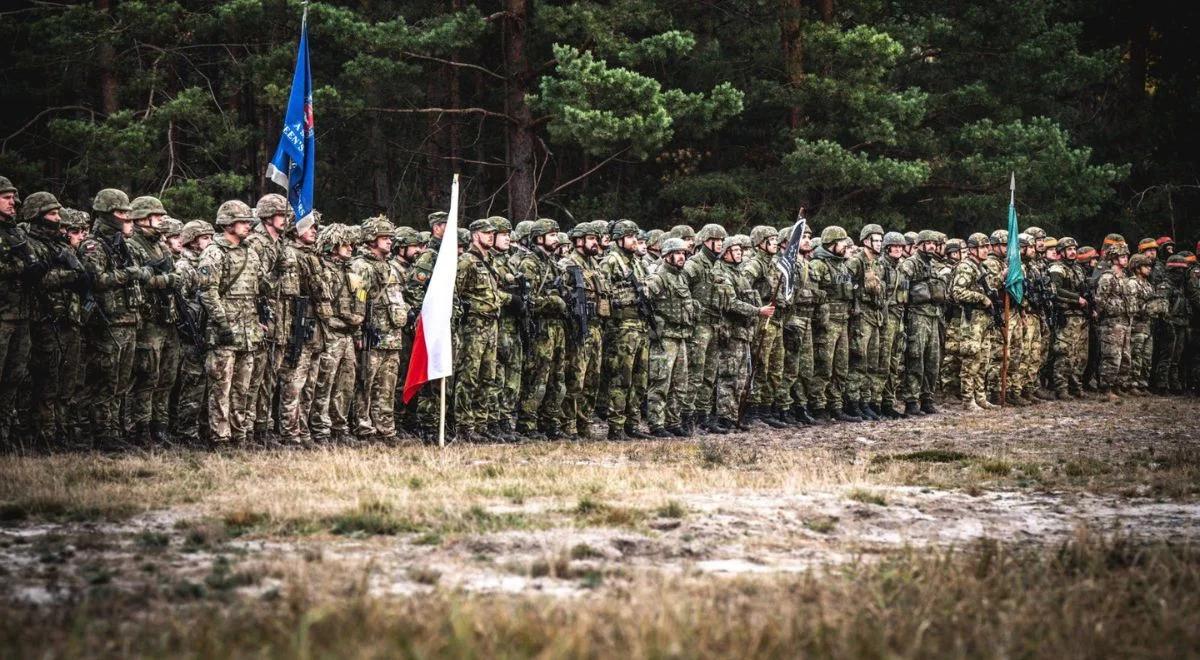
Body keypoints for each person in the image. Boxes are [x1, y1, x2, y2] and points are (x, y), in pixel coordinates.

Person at [80, 188, 149, 449]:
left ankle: (115, 430)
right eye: (121, 213)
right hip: (108, 322)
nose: (126, 217)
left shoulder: (121, 245)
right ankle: (102, 433)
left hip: (127, 320)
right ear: (108, 214)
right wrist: (129, 274)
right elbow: (96, 280)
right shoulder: (93, 245)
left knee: (122, 380)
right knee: (106, 380)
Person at [196, 200, 264, 446]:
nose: (247, 226)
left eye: (248, 222)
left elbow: (259, 287)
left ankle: (239, 434)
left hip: (248, 332)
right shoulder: (214, 252)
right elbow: (207, 292)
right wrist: (222, 323)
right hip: (225, 332)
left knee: (242, 389)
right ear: (228, 223)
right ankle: (220, 436)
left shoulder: (250, 252)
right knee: (221, 388)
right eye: (243, 222)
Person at [126, 195, 181, 445]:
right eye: (156, 216)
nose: (160, 220)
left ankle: (160, 427)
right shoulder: (132, 245)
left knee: (167, 377)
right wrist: (167, 281)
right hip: (148, 320)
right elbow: (140, 279)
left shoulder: (160, 244)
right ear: (142, 218)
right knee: (147, 376)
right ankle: (141, 428)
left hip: (167, 318)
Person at [351, 217, 409, 443]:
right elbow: (358, 299)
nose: (389, 242)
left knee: (387, 386)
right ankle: (364, 428)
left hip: (392, 337)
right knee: (366, 384)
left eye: (390, 238)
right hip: (372, 335)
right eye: (384, 238)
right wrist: (358, 333)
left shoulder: (391, 267)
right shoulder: (360, 266)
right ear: (371, 239)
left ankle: (386, 428)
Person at [454, 218, 510, 442]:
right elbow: (454, 293)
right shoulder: (466, 261)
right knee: (469, 375)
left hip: (491, 323)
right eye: (486, 233)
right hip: (473, 325)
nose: (490, 236)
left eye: (492, 233)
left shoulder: (490, 261)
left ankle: (481, 421)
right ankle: (464, 425)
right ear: (476, 235)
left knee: (489, 375)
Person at [559, 221, 608, 440]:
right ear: (578, 241)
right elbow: (562, 293)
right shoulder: (567, 264)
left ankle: (583, 420)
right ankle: (568, 422)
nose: (595, 242)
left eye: (596, 239)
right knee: (575, 378)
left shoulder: (595, 265)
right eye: (590, 239)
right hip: (578, 327)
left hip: (596, 327)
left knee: (592, 379)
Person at [643, 237, 693, 437]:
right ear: (667, 255)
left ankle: (673, 421)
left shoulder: (681, 277)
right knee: (661, 382)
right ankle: (656, 424)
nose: (682, 257)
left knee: (680, 383)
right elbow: (645, 297)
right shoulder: (659, 276)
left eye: (683, 253)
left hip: (680, 336)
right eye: (678, 253)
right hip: (665, 339)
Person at [809, 225, 860, 422]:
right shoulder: (818, 265)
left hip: (843, 320)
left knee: (841, 366)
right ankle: (819, 406)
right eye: (842, 242)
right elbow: (812, 292)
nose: (845, 245)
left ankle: (836, 405)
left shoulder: (843, 266)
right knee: (824, 366)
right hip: (827, 321)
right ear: (832, 244)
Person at [898, 230, 946, 415]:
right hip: (917, 316)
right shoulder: (910, 264)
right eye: (928, 243)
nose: (932, 246)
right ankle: (911, 400)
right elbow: (902, 292)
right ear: (919, 245)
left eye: (934, 243)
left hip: (934, 316)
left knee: (933, 360)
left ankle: (928, 398)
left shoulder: (934, 265)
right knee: (916, 358)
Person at [948, 233, 995, 411]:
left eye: (987, 247)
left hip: (983, 320)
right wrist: (982, 298)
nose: (986, 250)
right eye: (983, 247)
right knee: (971, 359)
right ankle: (968, 399)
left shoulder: (980, 267)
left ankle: (980, 397)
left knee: (983, 360)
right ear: (973, 249)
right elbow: (957, 292)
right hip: (971, 319)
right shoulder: (966, 267)